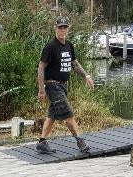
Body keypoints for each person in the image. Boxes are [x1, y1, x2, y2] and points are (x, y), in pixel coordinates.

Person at [36, 18, 95, 155]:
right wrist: (41, 89)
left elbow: (74, 63)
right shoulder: (50, 46)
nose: (62, 30)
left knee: (52, 115)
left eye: (65, 27)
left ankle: (42, 143)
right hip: (53, 85)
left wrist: (86, 76)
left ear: (68, 29)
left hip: (63, 86)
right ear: (55, 28)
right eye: (60, 27)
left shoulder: (69, 45)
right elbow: (41, 67)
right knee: (69, 114)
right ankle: (80, 141)